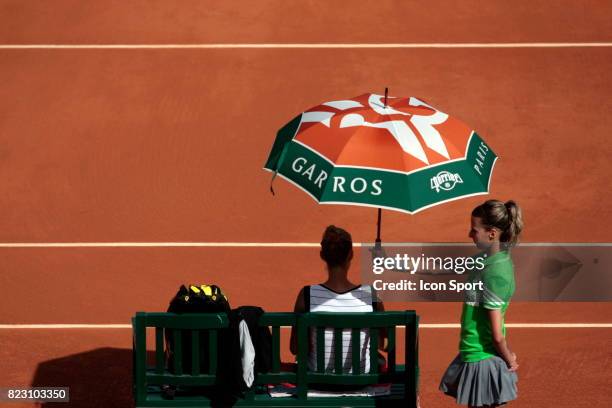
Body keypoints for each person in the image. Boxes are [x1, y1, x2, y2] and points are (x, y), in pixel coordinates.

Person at [440, 200, 523, 407]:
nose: (470, 234)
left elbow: (497, 334)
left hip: (485, 360)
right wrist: (389, 263)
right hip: (475, 355)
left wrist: (509, 359)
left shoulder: (496, 273)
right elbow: (441, 269)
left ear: (492, 233)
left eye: (474, 230)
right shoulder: (484, 260)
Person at [290, 225, 386, 374]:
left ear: (322, 255)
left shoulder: (306, 295)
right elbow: (382, 344)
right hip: (360, 382)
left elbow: (296, 348)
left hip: (318, 381)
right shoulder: (371, 296)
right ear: (351, 255)